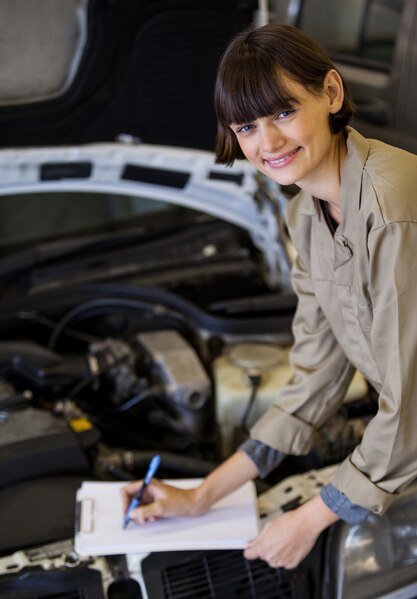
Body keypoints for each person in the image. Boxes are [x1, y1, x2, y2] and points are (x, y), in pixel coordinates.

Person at [121, 23, 417, 569]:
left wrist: (310, 518)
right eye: (246, 126)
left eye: (283, 112)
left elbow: (412, 407)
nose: (268, 143)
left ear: (331, 93)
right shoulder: (304, 214)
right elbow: (316, 378)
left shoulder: (392, 205)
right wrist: (203, 494)